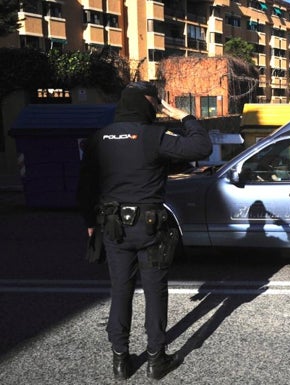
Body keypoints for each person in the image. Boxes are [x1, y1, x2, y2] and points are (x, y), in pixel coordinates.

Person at [76, 82, 212, 380]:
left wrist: (89, 222)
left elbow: (85, 185)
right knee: (154, 292)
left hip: (111, 226)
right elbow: (202, 147)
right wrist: (183, 116)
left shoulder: (99, 138)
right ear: (148, 103)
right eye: (156, 101)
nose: (158, 105)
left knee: (120, 291)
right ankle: (155, 359)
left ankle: (121, 361)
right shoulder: (154, 135)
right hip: (150, 227)